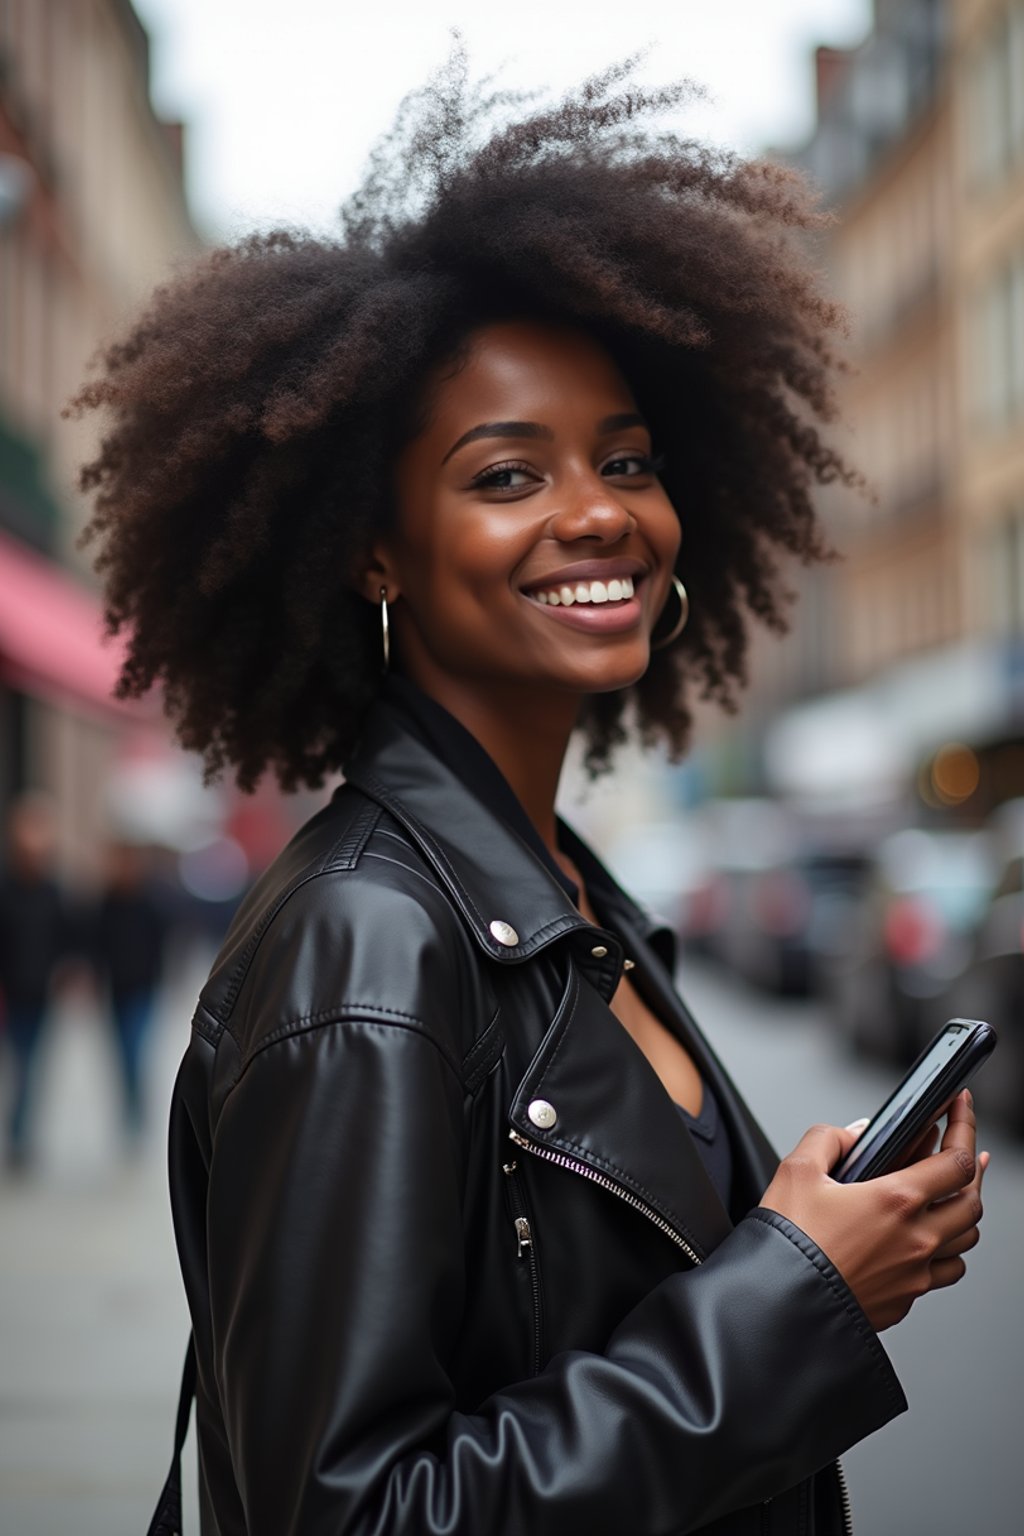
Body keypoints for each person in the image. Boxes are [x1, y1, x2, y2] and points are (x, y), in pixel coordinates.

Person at [73, 58, 987, 1536]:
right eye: (508, 475)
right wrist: (793, 1296)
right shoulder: (368, 948)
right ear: (375, 550)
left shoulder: (566, 892)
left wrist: (820, 1234)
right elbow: (353, 1515)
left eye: (627, 460)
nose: (599, 511)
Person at [0, 793, 74, 1171]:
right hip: (10, 993)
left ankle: (20, 1136)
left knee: (29, 1065)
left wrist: (67, 974)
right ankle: (18, 1133)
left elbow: (67, 939)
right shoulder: (7, 890)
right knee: (20, 1064)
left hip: (40, 993)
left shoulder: (53, 891)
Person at [90, 840, 169, 1147]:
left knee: (134, 1051)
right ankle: (129, 1110)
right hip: (115, 989)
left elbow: (161, 942)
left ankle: (136, 1113)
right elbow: (97, 943)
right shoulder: (107, 901)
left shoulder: (150, 901)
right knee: (121, 1054)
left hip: (143, 988)